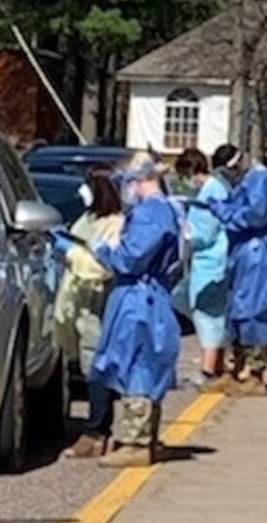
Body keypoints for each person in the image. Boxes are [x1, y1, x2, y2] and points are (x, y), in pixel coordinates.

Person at [53, 153, 182, 468]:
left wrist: (102, 247)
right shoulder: (166, 210)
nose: (124, 189)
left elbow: (130, 257)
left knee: (136, 363)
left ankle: (137, 442)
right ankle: (145, 438)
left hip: (139, 298)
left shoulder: (151, 213)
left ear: (139, 180)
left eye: (127, 182)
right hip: (147, 295)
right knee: (144, 362)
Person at [201, 144, 267, 396]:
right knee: (234, 313)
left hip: (260, 255)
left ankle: (255, 374)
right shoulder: (246, 181)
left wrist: (223, 210)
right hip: (243, 254)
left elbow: (255, 215)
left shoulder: (260, 178)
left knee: (255, 313)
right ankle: (233, 370)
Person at [51, 167, 124, 459]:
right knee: (87, 363)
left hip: (98, 305)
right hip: (80, 304)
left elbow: (102, 267)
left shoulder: (114, 224)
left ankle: (97, 431)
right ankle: (97, 431)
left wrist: (70, 252)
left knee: (96, 368)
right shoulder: (90, 218)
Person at [174, 147, 230, 388]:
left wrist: (184, 231)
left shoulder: (210, 193)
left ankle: (209, 371)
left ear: (193, 171)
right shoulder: (212, 189)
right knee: (183, 300)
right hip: (206, 262)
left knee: (206, 314)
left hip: (212, 262)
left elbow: (203, 232)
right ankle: (217, 363)